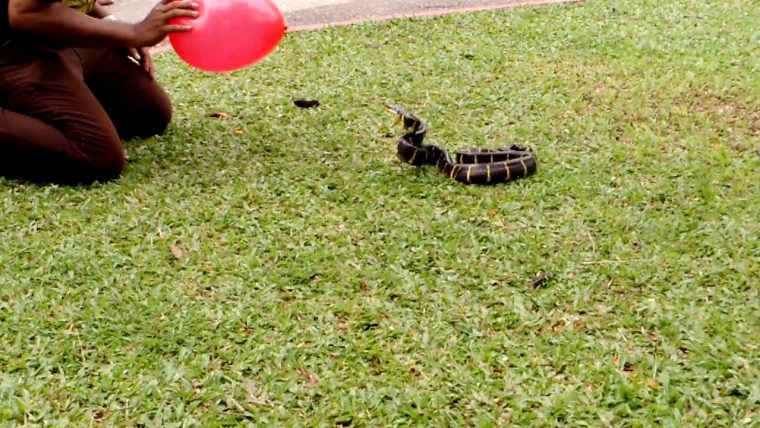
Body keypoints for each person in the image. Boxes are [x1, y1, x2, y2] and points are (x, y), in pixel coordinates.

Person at [0, 0, 198, 184]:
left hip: (53, 40)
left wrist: (111, 24)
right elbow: (25, 12)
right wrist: (133, 31)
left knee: (148, 114)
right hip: (13, 51)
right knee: (96, 156)